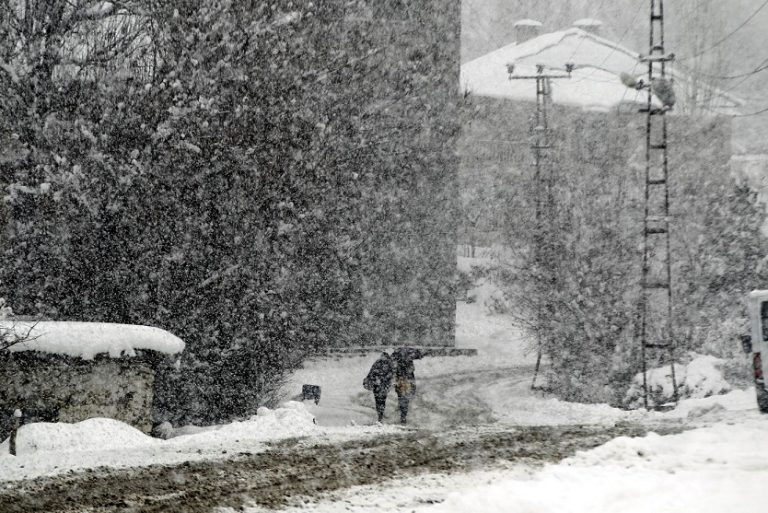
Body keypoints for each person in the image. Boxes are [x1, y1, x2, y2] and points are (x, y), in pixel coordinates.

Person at [391, 346, 424, 424]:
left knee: (402, 395)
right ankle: (403, 415)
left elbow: (394, 368)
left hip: (400, 378)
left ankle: (402, 411)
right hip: (406, 378)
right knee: (405, 396)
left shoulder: (397, 356)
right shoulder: (408, 357)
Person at [363, 352, 394, 423]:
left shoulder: (384, 363)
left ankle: (380, 415)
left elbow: (371, 373)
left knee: (380, 400)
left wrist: (377, 378)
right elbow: (371, 373)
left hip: (380, 385)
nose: (383, 358)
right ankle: (380, 415)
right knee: (380, 400)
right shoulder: (386, 363)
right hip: (380, 385)